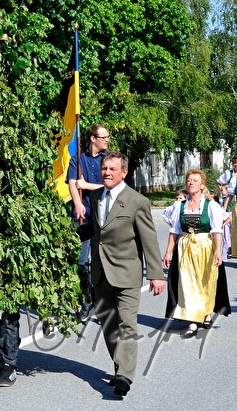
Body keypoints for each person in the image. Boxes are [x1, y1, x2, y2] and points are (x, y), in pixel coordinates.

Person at [89, 152, 165, 398]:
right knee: (109, 325)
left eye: (112, 169)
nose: (107, 173)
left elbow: (149, 240)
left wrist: (156, 274)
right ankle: (120, 366)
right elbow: (92, 230)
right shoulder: (94, 197)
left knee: (127, 324)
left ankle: (124, 375)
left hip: (127, 273)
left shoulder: (137, 201)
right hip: (100, 274)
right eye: (104, 169)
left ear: (124, 172)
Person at [162, 170, 230, 337]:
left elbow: (216, 230)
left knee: (205, 282)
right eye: (189, 180)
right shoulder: (180, 205)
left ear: (202, 185)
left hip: (205, 246)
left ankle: (206, 312)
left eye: (195, 180)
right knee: (187, 282)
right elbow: (175, 231)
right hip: (185, 247)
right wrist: (168, 253)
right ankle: (192, 320)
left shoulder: (211, 205)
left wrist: (218, 252)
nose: (191, 183)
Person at [67, 124, 110, 320]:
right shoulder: (78, 158)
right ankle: (86, 302)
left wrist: (87, 185)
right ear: (93, 138)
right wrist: (77, 204)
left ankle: (102, 306)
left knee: (101, 262)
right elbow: (72, 183)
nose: (107, 140)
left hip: (104, 217)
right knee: (81, 262)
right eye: (104, 137)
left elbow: (114, 186)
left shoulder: (109, 160)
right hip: (83, 218)